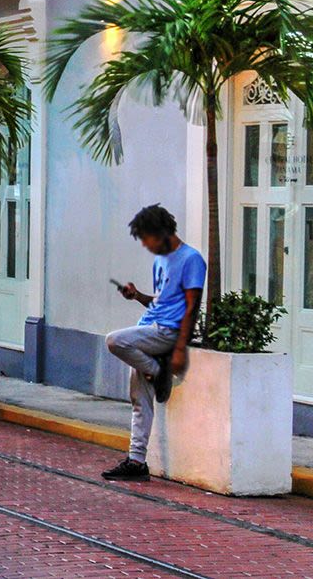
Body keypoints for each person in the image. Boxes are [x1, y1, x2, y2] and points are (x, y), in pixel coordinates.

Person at [102, 204, 205, 482]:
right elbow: (160, 302)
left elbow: (191, 307)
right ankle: (136, 461)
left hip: (166, 333)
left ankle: (158, 371)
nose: (146, 246)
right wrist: (136, 296)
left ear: (161, 232)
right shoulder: (159, 260)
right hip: (150, 327)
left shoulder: (191, 259)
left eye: (147, 239)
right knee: (139, 399)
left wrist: (180, 349)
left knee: (113, 341)